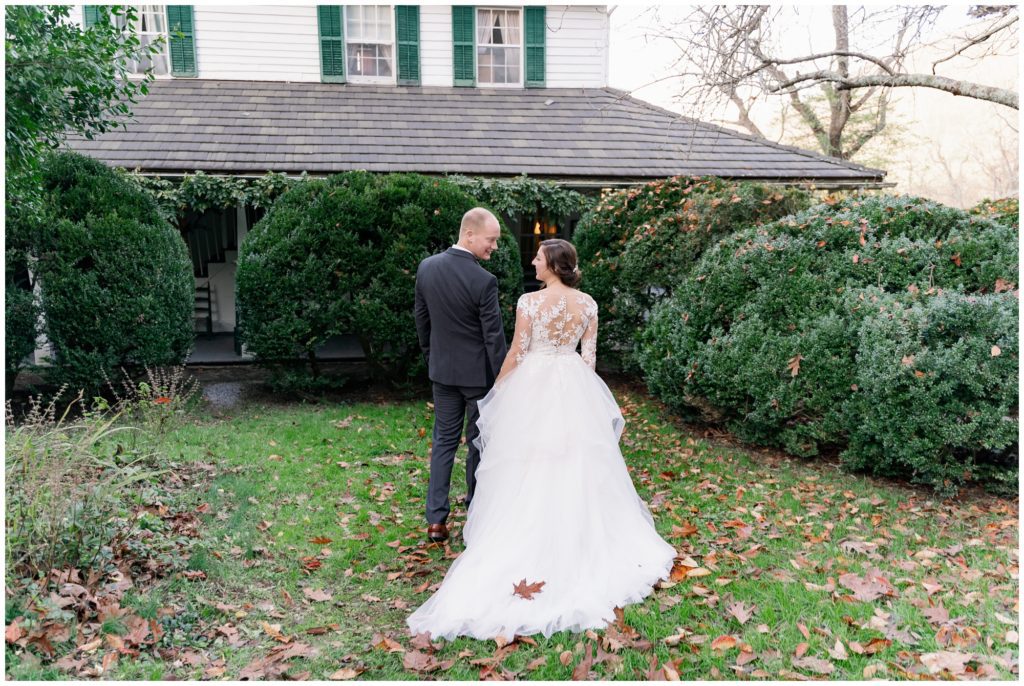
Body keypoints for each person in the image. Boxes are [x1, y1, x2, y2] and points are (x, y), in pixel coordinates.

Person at [407, 238, 676, 641]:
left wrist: (498, 392)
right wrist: (581, 394)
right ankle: (575, 528)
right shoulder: (588, 304)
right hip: (573, 384)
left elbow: (516, 352)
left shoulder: (528, 303)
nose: (532, 261)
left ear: (551, 263)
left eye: (537, 257)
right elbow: (589, 358)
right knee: (574, 458)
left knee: (527, 459)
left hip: (533, 384)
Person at [414, 207, 508, 544]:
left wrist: (433, 359)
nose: (494, 246)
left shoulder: (426, 268)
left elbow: (421, 322)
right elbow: (493, 337)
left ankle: (436, 522)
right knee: (478, 443)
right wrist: (503, 379)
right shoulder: (484, 281)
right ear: (469, 234)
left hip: (442, 372)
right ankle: (475, 514)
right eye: (491, 239)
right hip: (479, 377)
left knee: (443, 442)